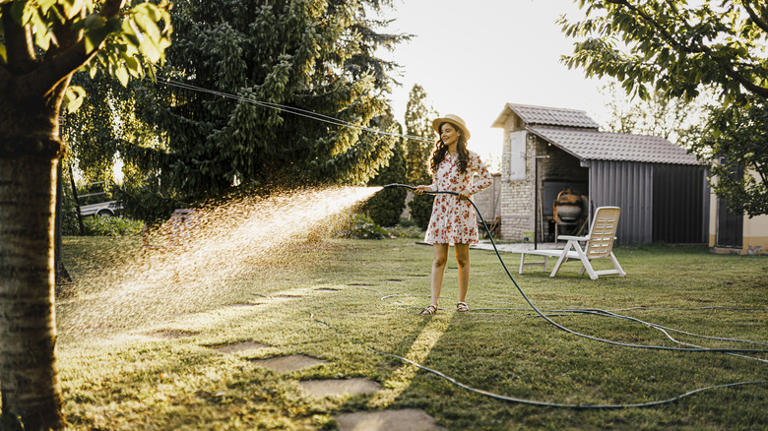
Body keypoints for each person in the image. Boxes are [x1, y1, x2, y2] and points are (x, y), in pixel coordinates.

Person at [414, 114, 492, 315]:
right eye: (442, 131)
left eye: (448, 130)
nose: (444, 134)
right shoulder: (438, 159)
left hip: (461, 212)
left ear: (459, 133)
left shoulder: (470, 157)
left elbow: (487, 178)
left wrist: (469, 190)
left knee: (462, 259)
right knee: (439, 259)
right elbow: (438, 185)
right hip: (441, 211)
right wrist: (428, 188)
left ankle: (462, 301)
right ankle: (433, 304)